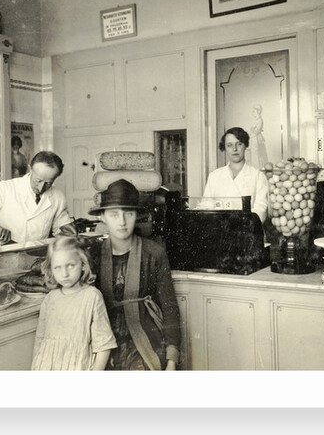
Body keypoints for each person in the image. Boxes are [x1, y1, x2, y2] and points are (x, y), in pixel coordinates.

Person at [89, 179, 181, 371]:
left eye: (128, 213)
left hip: (145, 339)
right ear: (102, 217)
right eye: (114, 214)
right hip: (104, 342)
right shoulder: (94, 254)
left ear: (137, 215)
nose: (122, 222)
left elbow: (169, 306)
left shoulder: (154, 253)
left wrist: (172, 360)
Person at [30, 237, 117, 371]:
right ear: (51, 269)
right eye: (57, 268)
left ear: (83, 264)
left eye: (70, 265)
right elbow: (39, 339)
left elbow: (104, 344)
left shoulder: (92, 296)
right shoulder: (50, 298)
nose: (64, 274)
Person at [202, 126, 268, 224]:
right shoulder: (214, 176)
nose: (234, 149)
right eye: (229, 145)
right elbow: (206, 207)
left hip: (247, 230)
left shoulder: (258, 176)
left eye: (239, 144)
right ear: (225, 148)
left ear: (245, 146)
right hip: (219, 230)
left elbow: (260, 210)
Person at [248, 104, 269, 169]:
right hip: (254, 138)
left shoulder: (259, 120)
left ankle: (259, 168)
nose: (253, 113)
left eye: (254, 111)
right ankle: (255, 167)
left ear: (258, 112)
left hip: (257, 138)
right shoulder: (256, 120)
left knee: (258, 153)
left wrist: (252, 129)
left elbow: (257, 130)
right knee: (254, 153)